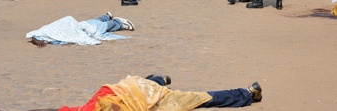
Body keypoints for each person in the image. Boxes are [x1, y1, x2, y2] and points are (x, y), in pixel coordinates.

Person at [32, 74, 262, 111]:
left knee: (200, 99)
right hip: (135, 90)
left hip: (138, 93)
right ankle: (159, 79)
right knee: (199, 98)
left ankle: (247, 93)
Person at [27, 12, 134, 48]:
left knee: (99, 28)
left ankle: (118, 23)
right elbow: (34, 37)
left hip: (76, 26)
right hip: (78, 26)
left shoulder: (47, 30)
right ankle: (105, 17)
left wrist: (37, 41)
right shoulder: (43, 35)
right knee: (92, 23)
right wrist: (37, 42)